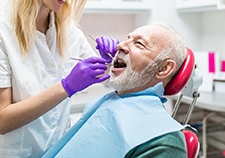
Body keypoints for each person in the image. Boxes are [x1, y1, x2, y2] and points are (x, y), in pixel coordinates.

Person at [0, 0, 118, 157]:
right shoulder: (3, 32)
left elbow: (108, 78)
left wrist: (110, 61)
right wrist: (66, 87)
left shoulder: (68, 30)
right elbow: (2, 120)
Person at [42, 22, 188, 158]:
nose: (120, 46)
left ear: (163, 69)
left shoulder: (163, 142)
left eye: (139, 44)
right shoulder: (107, 102)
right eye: (127, 39)